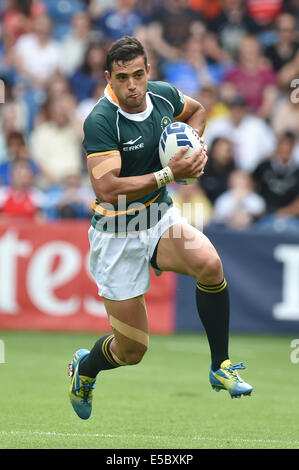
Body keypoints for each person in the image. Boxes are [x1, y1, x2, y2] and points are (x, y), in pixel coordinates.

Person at [68, 36, 253, 420]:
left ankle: (221, 365)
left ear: (148, 71)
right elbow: (106, 186)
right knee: (132, 351)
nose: (133, 85)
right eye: (123, 78)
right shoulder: (101, 120)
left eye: (138, 74)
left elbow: (198, 110)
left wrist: (194, 149)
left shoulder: (164, 96)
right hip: (116, 234)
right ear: (109, 78)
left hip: (158, 218)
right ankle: (85, 370)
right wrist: (171, 171)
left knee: (210, 265)